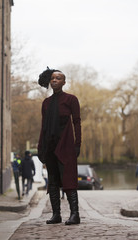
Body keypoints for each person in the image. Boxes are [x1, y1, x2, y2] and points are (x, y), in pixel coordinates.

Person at [37, 67, 81, 225]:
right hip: (50, 147)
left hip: (66, 146)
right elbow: (43, 126)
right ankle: (56, 215)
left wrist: (77, 144)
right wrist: (40, 147)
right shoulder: (46, 103)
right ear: (50, 81)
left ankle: (75, 214)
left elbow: (77, 122)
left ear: (64, 82)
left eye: (58, 78)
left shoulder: (71, 99)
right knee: (53, 182)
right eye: (53, 78)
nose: (55, 80)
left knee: (68, 179)